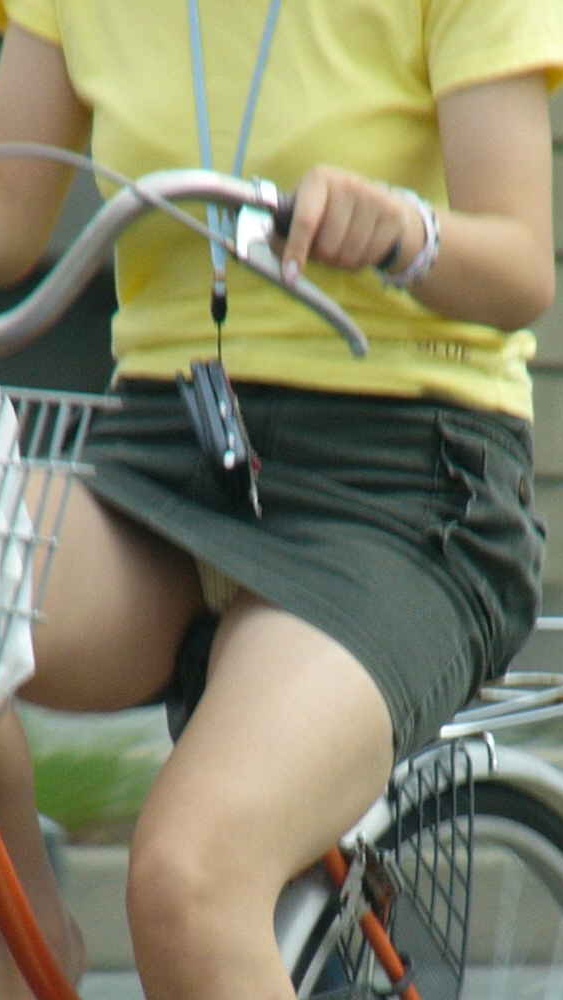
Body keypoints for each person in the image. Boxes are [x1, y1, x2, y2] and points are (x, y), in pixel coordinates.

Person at [0, 1, 561, 997]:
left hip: (399, 485)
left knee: (190, 878)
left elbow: (520, 268)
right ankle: (28, 937)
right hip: (163, 455)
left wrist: (406, 231)